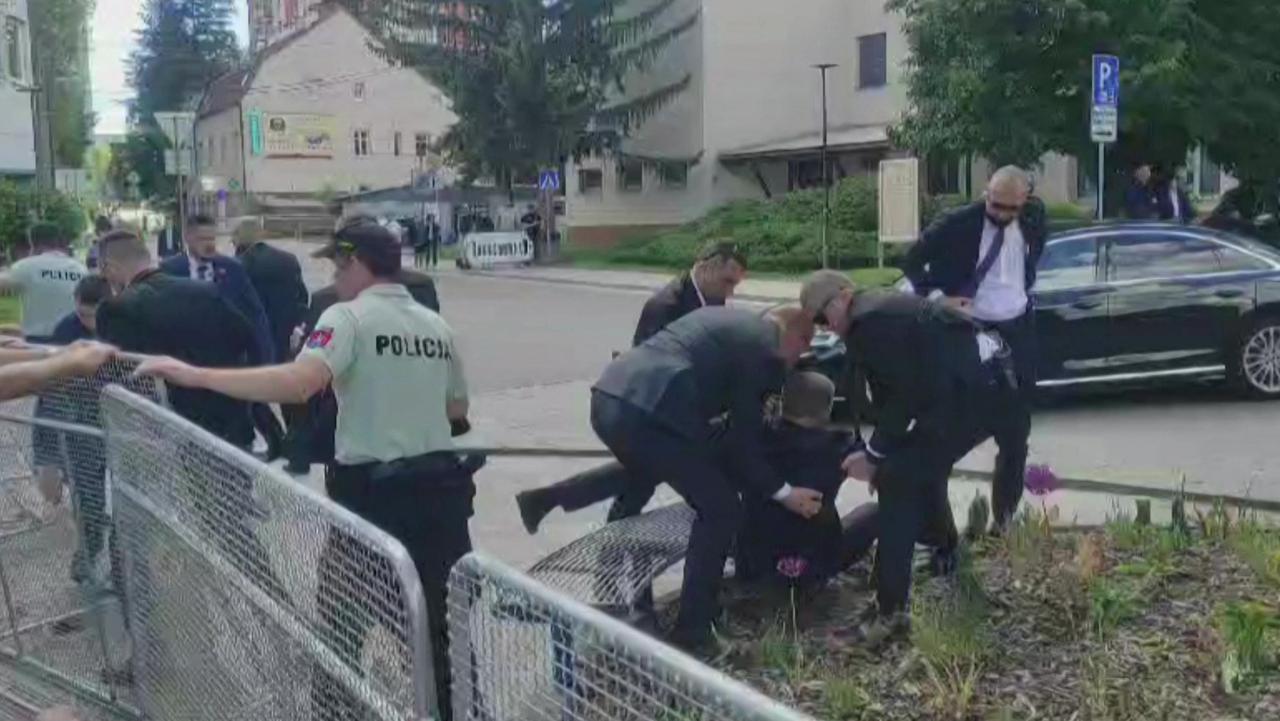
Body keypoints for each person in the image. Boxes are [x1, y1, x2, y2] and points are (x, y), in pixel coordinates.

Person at [137, 219, 475, 718]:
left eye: (339, 266)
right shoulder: (436, 326)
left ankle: (336, 711)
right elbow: (455, 409)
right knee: (439, 632)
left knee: (341, 625)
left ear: (356, 263)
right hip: (441, 498)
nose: (336, 278)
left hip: (373, 501)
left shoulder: (346, 317)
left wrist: (197, 376)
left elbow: (299, 383)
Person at [584, 305, 822, 651]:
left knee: (640, 484)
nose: (794, 360)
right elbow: (744, 442)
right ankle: (695, 629)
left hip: (609, 397)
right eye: (801, 350)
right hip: (651, 415)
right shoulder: (764, 352)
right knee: (721, 509)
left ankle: (616, 597)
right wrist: (784, 492)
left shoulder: (731, 323)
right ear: (795, 336)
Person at [800, 271, 996, 645]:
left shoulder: (869, 322)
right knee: (918, 471)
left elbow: (903, 397)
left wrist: (874, 455)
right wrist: (876, 447)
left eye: (825, 317)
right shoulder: (875, 312)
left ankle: (890, 613)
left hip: (970, 401)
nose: (826, 328)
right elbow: (897, 394)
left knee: (895, 480)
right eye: (817, 323)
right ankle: (945, 553)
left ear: (844, 295)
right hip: (970, 397)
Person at [903, 166, 1045, 535]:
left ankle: (1005, 520)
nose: (1001, 214)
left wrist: (1024, 288)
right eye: (995, 205)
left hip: (1017, 328)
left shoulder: (1033, 217)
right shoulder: (959, 223)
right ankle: (939, 531)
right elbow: (912, 260)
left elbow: (1034, 255)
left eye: (1010, 208)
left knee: (1016, 436)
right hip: (968, 326)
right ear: (986, 193)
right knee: (956, 424)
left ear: (1024, 201)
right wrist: (938, 299)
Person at [95, 229, 259, 448]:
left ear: (109, 267)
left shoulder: (116, 309)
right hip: (229, 422)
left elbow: (117, 374)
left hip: (165, 435)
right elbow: (247, 336)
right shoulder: (206, 291)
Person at [736, 372, 879, 586]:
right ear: (828, 407)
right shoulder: (840, 445)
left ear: (783, 402)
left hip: (756, 561)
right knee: (875, 511)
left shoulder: (754, 439)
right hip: (818, 563)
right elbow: (875, 470)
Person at [161, 214, 280, 457]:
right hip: (186, 373)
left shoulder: (232, 269)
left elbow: (255, 317)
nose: (209, 243)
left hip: (230, 369)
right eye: (202, 238)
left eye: (212, 237)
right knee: (194, 441)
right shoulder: (169, 271)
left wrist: (264, 363)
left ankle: (238, 483)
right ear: (187, 238)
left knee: (236, 440)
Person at [232, 220, 309, 461]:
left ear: (240, 240)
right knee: (288, 396)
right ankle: (297, 450)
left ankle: (276, 440)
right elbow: (301, 297)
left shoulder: (240, 265)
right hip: (287, 337)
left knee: (252, 395)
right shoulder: (288, 260)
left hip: (255, 339)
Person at [632, 240, 748, 346]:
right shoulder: (665, 307)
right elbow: (647, 362)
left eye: (734, 285)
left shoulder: (716, 302)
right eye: (727, 281)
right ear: (705, 269)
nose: (730, 292)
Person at [0, 223, 88, 343]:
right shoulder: (81, 269)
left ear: (32, 243)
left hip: (35, 341)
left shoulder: (23, 267)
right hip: (76, 341)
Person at [51, 275, 112, 344]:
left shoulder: (119, 327)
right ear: (75, 301)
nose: (88, 321)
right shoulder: (65, 329)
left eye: (94, 316)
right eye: (82, 314)